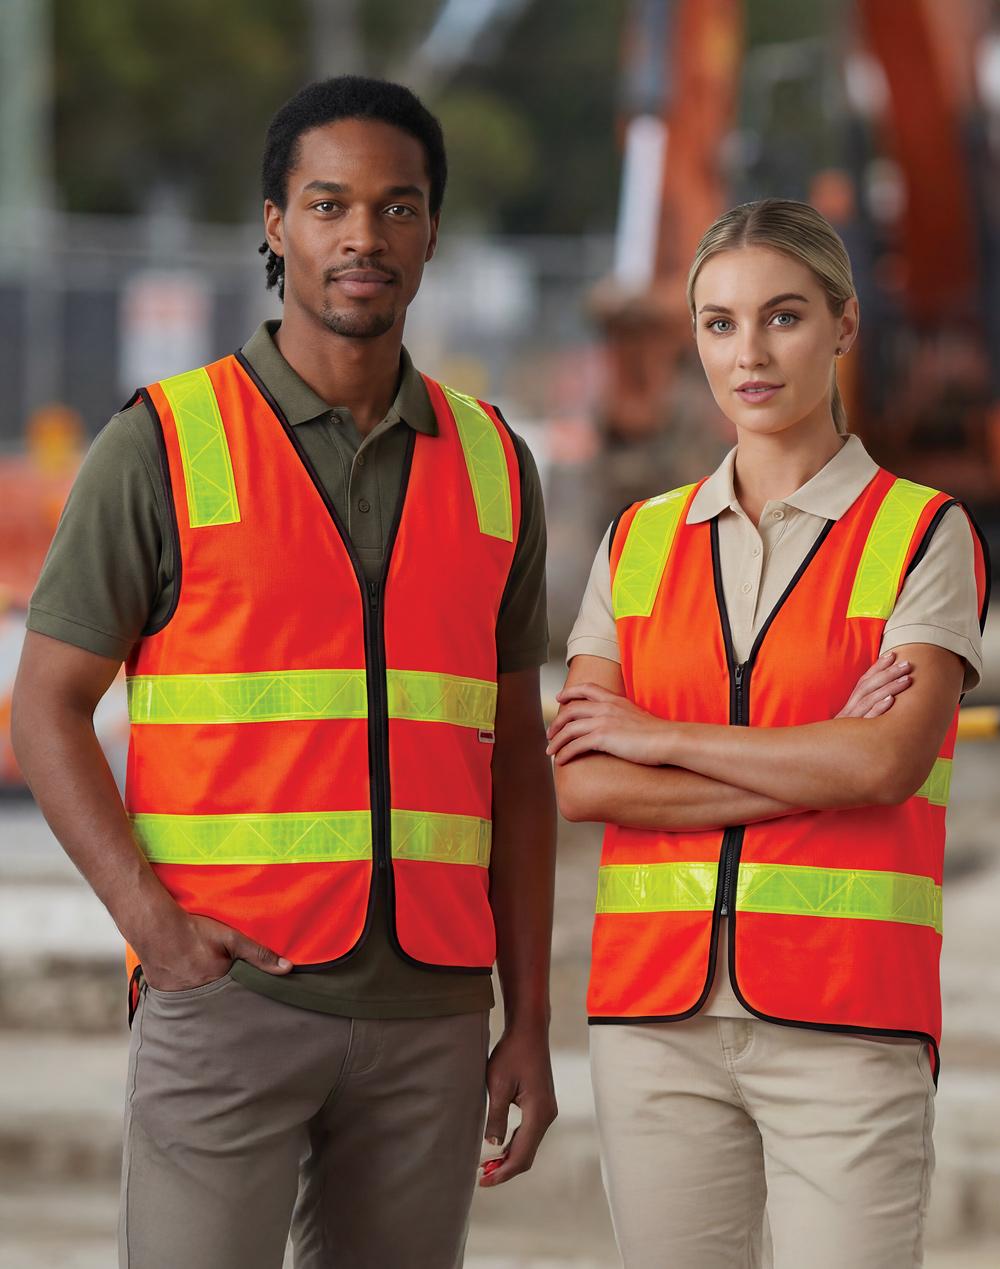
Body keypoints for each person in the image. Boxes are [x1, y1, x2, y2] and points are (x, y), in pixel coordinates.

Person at [12, 75, 557, 1269]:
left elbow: (516, 762)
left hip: (431, 1016)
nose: (364, 236)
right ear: (275, 224)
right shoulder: (160, 443)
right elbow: (44, 708)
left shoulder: (496, 465)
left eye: (397, 207)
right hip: (229, 997)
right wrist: (156, 932)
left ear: (429, 230)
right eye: (328, 204)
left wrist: (528, 1019)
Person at [548, 199, 989, 1268]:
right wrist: (821, 756)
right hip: (653, 1026)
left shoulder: (923, 533)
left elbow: (884, 761)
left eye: (782, 317)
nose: (747, 353)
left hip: (847, 1024)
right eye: (718, 323)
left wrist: (656, 735)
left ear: (843, 326)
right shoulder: (635, 541)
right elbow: (585, 786)